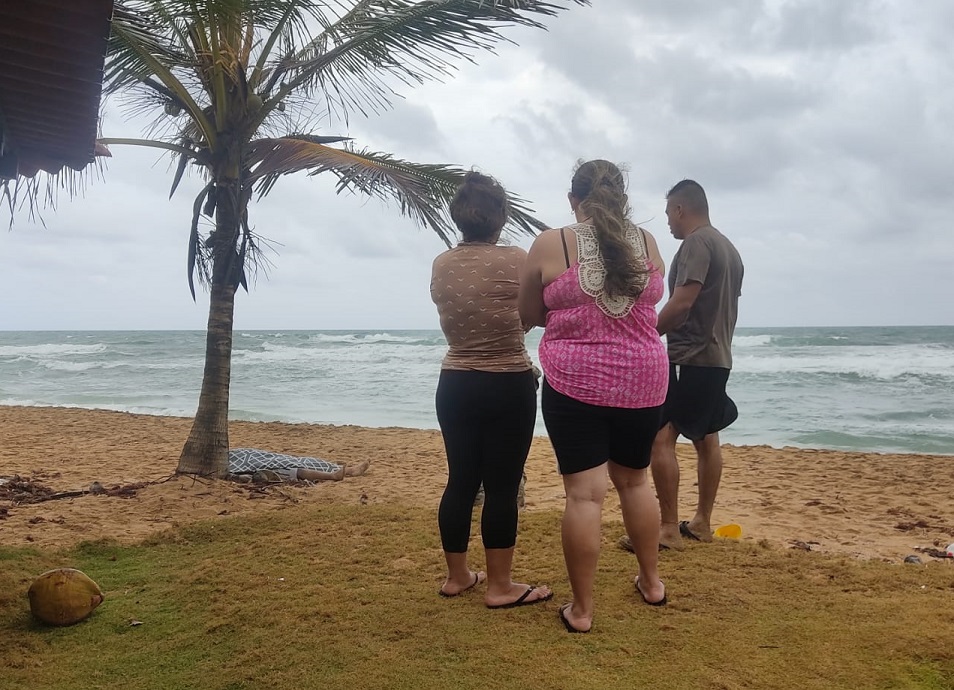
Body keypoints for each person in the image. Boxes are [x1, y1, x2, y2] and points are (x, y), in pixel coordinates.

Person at [519, 160, 669, 633]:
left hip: (575, 380)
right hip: (643, 379)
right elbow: (651, 304)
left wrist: (573, 318)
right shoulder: (647, 242)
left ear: (573, 201)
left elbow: (529, 312)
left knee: (585, 496)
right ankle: (652, 583)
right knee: (635, 482)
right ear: (622, 198)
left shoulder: (551, 243)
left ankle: (582, 612)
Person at [430, 171, 552, 608]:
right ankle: (500, 586)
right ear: (500, 217)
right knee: (501, 485)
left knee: (460, 480)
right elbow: (533, 314)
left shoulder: (441, 263)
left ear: (458, 217)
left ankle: (457, 576)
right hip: (507, 381)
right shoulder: (517, 259)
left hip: (456, 381)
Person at [648, 178, 744, 549]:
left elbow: (683, 302)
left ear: (680, 209)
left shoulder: (696, 243)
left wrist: (645, 333)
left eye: (670, 214)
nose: (669, 223)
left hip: (689, 356)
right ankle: (702, 521)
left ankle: (669, 529)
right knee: (706, 437)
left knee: (661, 438)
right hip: (719, 356)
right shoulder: (728, 247)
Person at [227, 448, 370, 483]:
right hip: (258, 468)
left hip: (245, 456)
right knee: (297, 470)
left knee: (302, 460)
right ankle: (333, 476)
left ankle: (350, 470)